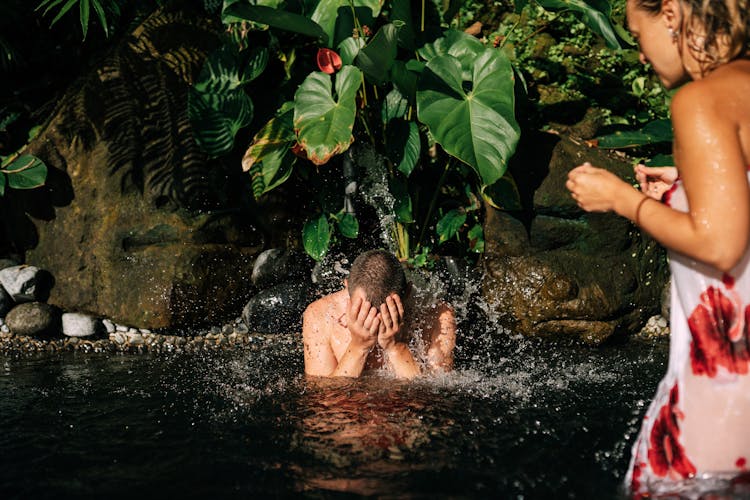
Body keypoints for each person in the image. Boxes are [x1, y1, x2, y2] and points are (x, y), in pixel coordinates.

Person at [565, 0, 750, 495]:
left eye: (636, 32)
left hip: (721, 406)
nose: (642, 55)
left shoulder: (702, 101)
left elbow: (721, 243)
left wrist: (623, 200)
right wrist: (686, 186)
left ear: (670, 15)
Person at [302, 249, 456, 379]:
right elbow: (325, 404)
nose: (373, 322)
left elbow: (432, 400)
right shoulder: (320, 315)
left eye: (386, 312)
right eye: (364, 310)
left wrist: (397, 347)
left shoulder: (439, 316)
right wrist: (358, 347)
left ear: (408, 293)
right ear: (347, 288)